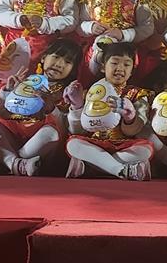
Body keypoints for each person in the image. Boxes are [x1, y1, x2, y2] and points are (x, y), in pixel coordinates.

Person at [0, 38, 82, 176]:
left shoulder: (69, 92)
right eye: (56, 57)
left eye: (68, 62)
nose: (59, 64)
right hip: (15, 135)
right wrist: (8, 91)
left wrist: (51, 109)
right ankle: (16, 164)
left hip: (39, 147)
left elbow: (68, 131)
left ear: (72, 69)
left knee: (51, 133)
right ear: (44, 57)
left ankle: (13, 162)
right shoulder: (25, 81)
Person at [64, 42, 153, 180]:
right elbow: (77, 131)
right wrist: (77, 106)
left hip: (124, 145)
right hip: (93, 143)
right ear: (102, 66)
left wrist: (130, 116)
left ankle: (94, 166)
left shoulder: (138, 95)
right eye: (115, 63)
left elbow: (134, 131)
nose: (120, 68)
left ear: (131, 71)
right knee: (73, 144)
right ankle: (121, 170)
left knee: (145, 150)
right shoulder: (90, 92)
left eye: (126, 64)